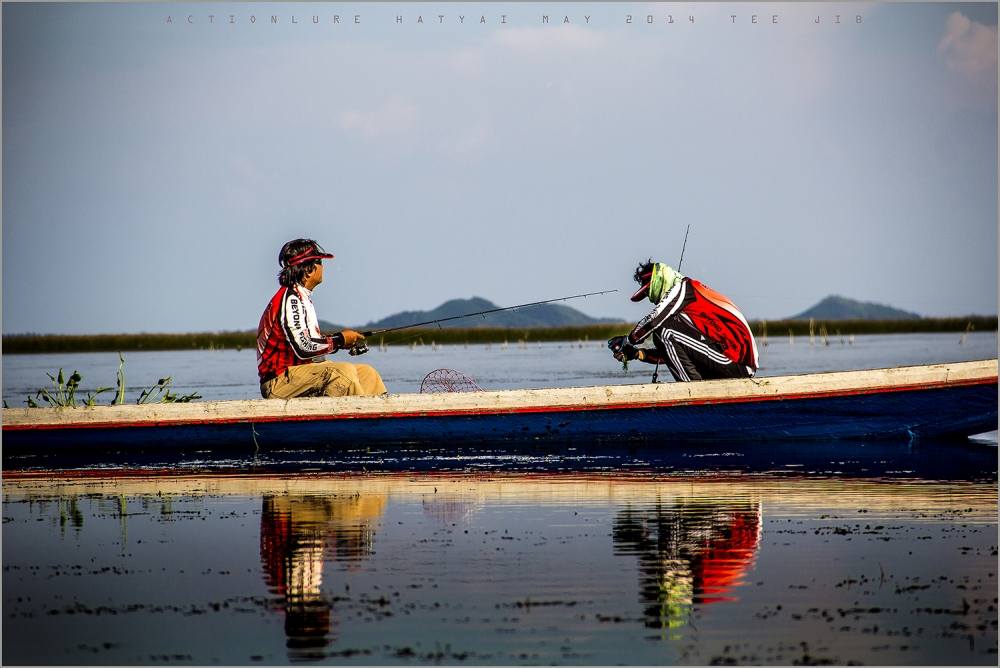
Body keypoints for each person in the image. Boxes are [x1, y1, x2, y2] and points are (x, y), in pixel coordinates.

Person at [257, 239, 387, 399]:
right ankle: (354, 420)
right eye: (319, 262)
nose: (323, 267)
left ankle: (378, 421)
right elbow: (303, 348)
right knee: (342, 372)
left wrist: (342, 342)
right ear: (308, 270)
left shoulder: (302, 298)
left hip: (299, 374)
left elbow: (310, 347)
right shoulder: (291, 299)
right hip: (278, 382)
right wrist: (339, 340)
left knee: (367, 374)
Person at [608, 259, 758, 382]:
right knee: (663, 334)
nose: (650, 298)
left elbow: (653, 320)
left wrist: (627, 340)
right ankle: (695, 390)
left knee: (662, 330)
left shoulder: (684, 288)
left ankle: (692, 394)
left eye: (648, 291)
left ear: (658, 280)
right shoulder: (684, 309)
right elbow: (674, 355)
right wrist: (638, 354)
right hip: (728, 362)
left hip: (738, 362)